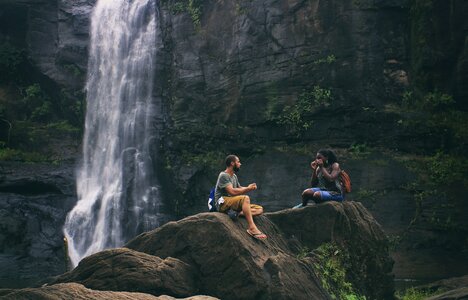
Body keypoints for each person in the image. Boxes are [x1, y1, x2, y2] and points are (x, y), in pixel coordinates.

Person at [214, 154, 267, 240]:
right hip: (222, 202)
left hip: (231, 203)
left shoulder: (234, 176)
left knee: (259, 209)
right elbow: (232, 191)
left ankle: (236, 213)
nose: (240, 164)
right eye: (238, 162)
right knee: (245, 198)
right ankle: (252, 228)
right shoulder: (224, 175)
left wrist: (249, 187)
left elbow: (239, 188)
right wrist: (248, 189)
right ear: (232, 163)